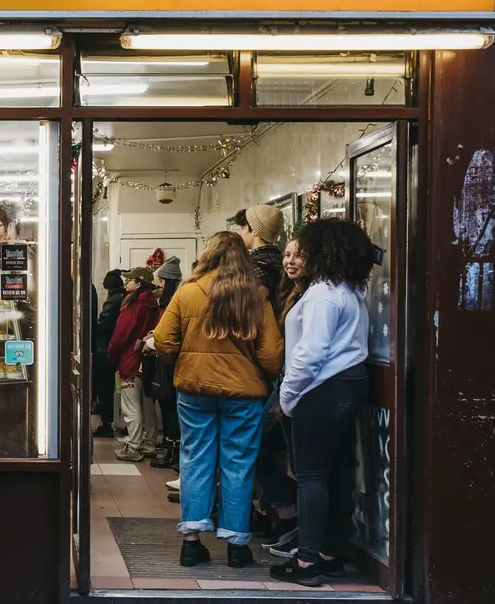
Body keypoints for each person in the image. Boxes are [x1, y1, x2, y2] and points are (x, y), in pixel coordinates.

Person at [153, 231, 284, 570]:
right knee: (238, 464)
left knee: (196, 459)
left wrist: (185, 361)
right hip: (244, 395)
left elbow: (163, 342)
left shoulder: (187, 292)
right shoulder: (256, 296)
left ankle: (191, 543)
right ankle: (237, 546)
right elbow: (271, 356)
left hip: (194, 391)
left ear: (207, 254)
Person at [269, 220, 373, 587]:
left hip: (323, 389)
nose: (302, 256)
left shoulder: (323, 295)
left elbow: (309, 354)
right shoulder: (348, 289)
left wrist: (286, 397)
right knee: (338, 473)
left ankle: (307, 561)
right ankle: (330, 553)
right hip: (349, 386)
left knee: (311, 476)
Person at [257, 238, 307, 558]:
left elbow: (303, 353)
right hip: (282, 384)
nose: (290, 261)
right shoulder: (288, 292)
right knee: (265, 449)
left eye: (298, 256)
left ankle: (290, 515)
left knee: (262, 447)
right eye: (287, 255)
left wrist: (281, 396)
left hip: (292, 388)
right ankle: (286, 514)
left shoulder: (311, 296)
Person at [109, 267, 162, 462]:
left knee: (131, 406)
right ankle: (149, 442)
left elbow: (120, 335)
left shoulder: (133, 305)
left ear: (138, 284)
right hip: (147, 360)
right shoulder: (153, 305)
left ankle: (133, 447)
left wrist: (112, 353)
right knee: (147, 404)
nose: (126, 282)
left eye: (130, 280)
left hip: (130, 360)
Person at [147, 256, 184, 470]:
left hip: (171, 363)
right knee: (167, 406)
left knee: (171, 409)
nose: (156, 287)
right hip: (166, 362)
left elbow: (171, 335)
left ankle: (174, 451)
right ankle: (171, 448)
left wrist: (155, 339)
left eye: (159, 282)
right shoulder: (164, 303)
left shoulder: (174, 302)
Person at [92, 269, 126, 439]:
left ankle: (107, 424)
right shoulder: (123, 298)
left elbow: (104, 324)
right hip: (111, 350)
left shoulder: (113, 301)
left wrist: (90, 328)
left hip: (105, 350)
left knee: (104, 389)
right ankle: (111, 422)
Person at [231, 205, 286, 301]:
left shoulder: (247, 267)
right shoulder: (284, 262)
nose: (241, 232)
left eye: (243, 228)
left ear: (253, 229)